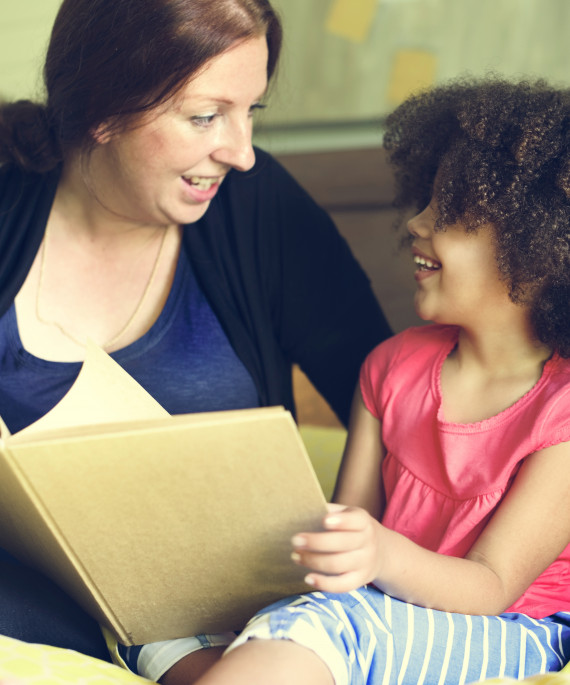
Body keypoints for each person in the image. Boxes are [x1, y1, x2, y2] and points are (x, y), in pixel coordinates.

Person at [0, 0, 392, 683]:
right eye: (206, 116)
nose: (240, 153)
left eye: (252, 113)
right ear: (104, 109)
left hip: (227, 624)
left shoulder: (258, 205)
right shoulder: (11, 195)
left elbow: (395, 405)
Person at [188, 77, 570, 685]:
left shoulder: (562, 413)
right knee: (189, 623)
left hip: (515, 626)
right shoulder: (391, 367)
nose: (417, 223)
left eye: (449, 212)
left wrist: (379, 556)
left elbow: (492, 587)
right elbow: (350, 527)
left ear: (536, 252)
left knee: (327, 628)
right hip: (382, 607)